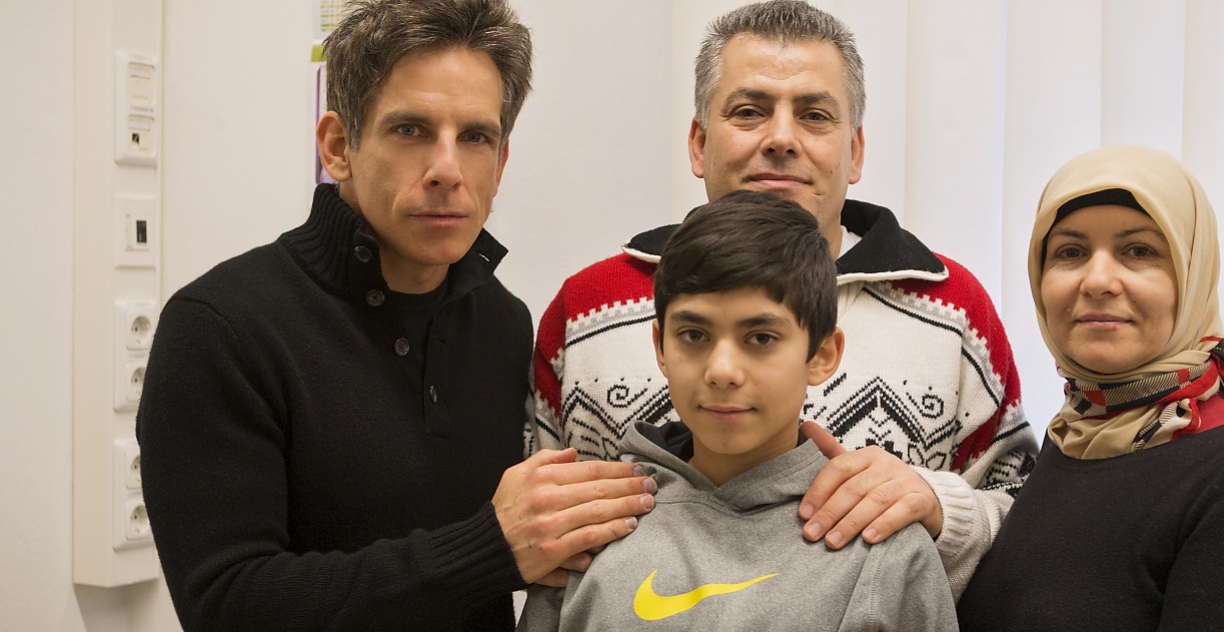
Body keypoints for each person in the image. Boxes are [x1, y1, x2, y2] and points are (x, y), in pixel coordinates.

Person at [136, 1, 655, 630]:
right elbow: (227, 605)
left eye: (475, 137)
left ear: (502, 160)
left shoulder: (503, 324)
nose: (446, 170)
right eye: (410, 130)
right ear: (337, 147)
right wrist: (489, 549)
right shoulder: (221, 326)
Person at [528, 0, 1035, 599]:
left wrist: (939, 508)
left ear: (857, 150)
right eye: (749, 111)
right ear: (698, 142)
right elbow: (537, 533)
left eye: (815, 115)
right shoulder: (587, 306)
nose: (781, 139)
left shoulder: (955, 311)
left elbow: (1032, 528)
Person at [517, 191, 959, 631]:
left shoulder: (886, 551)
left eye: (761, 338)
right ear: (661, 347)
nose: (722, 371)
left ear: (822, 353)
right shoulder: (590, 531)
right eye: (694, 335)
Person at [955, 145, 1224, 630]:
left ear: (1191, 274)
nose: (1097, 280)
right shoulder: (1072, 439)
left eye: (1139, 251)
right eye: (1070, 252)